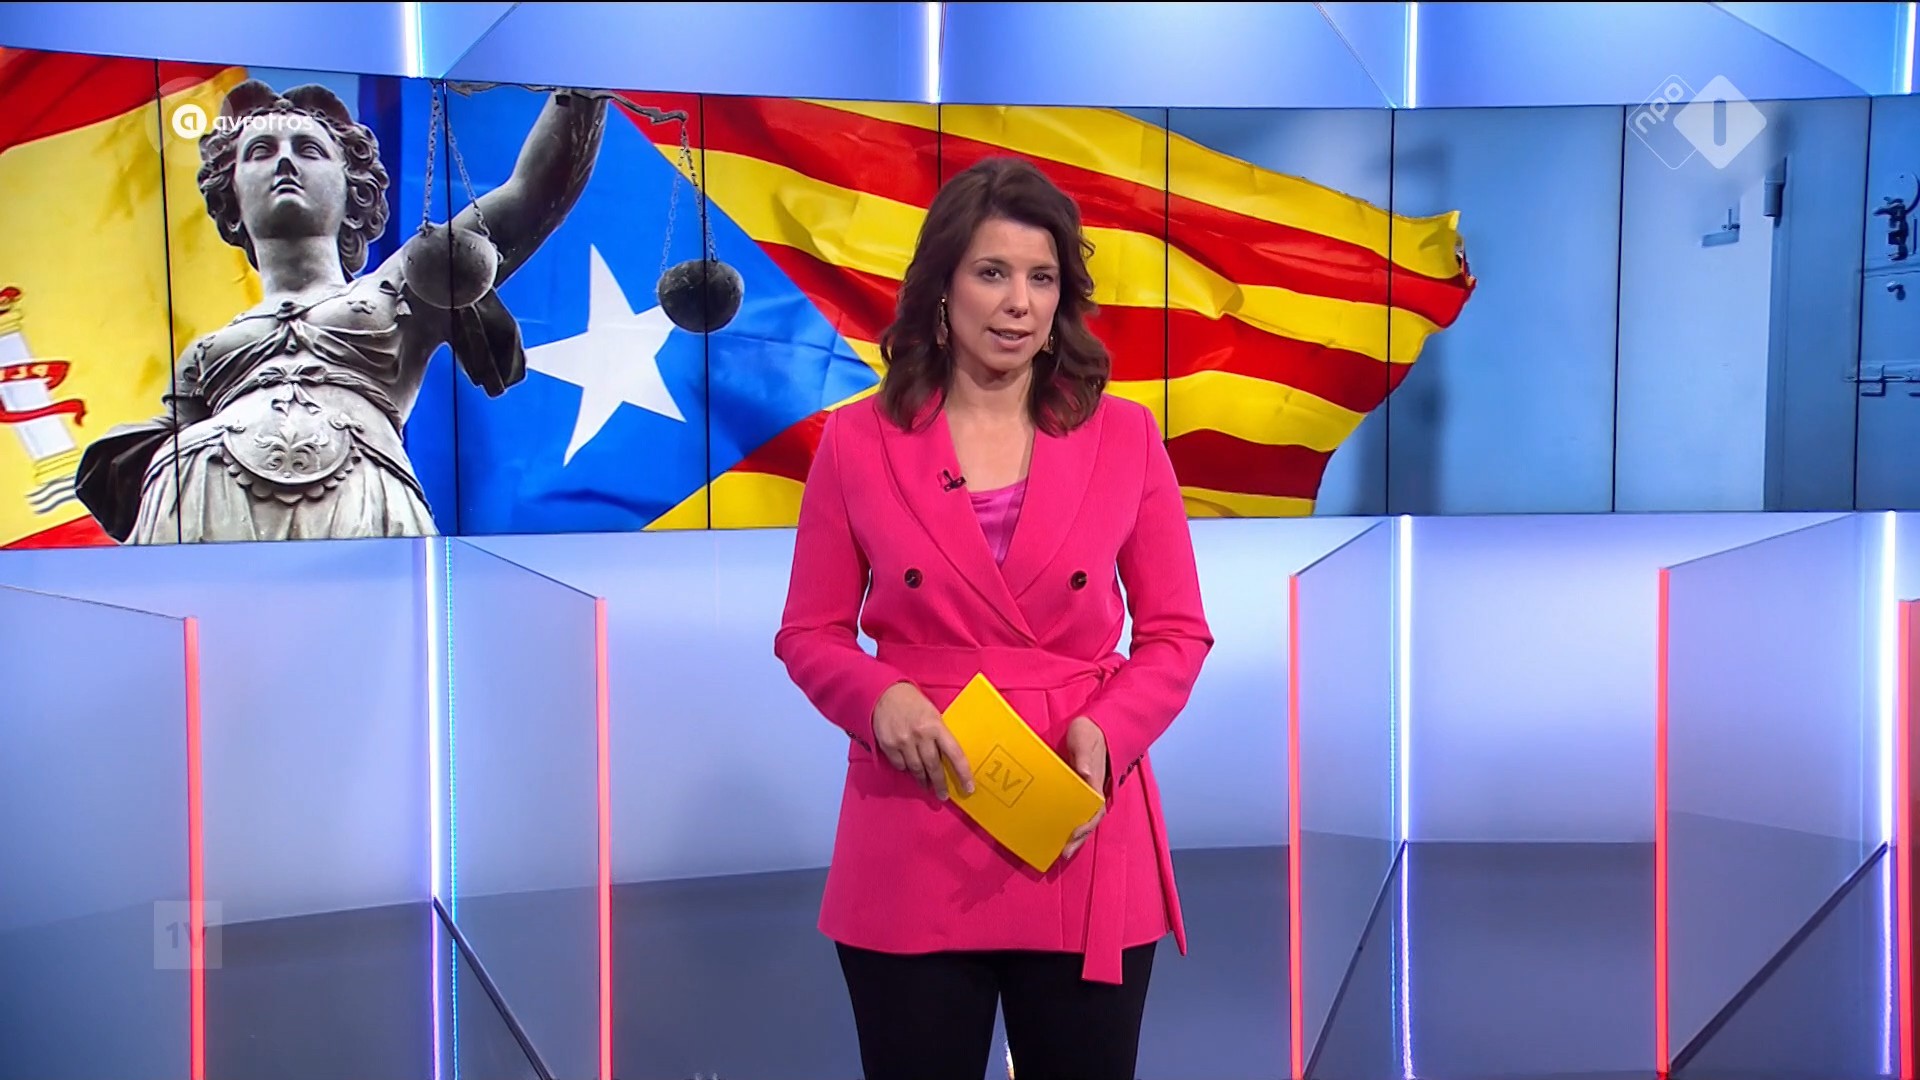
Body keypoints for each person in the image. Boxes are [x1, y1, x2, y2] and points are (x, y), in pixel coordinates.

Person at [773, 156, 1214, 1080]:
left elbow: (1177, 632)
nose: (1019, 303)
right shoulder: (856, 441)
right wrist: (878, 699)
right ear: (941, 289)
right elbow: (809, 632)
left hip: (1073, 811)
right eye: (992, 273)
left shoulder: (1126, 437)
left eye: (1041, 278)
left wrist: (1109, 732)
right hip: (917, 818)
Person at [75, 80, 607, 544]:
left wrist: (580, 86)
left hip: (360, 492)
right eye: (259, 151)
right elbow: (142, 461)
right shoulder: (204, 353)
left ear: (352, 186)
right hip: (202, 498)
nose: (285, 161)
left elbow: (529, 195)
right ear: (230, 193)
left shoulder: (401, 284)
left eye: (309, 149)